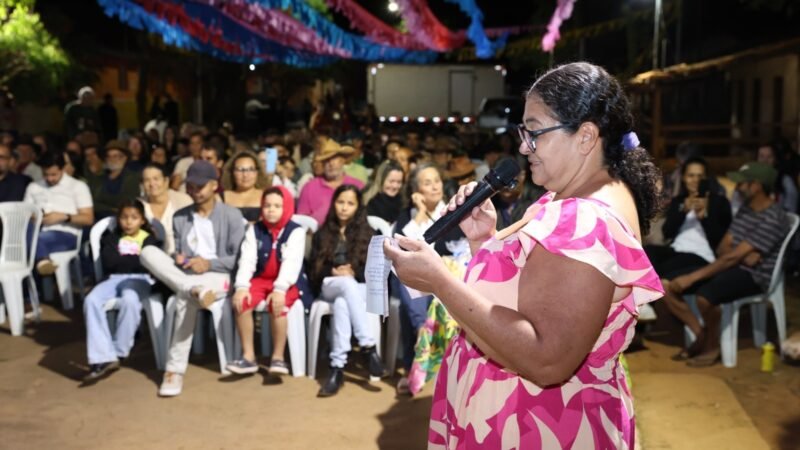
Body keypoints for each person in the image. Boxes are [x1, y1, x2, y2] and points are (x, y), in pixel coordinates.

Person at [384, 62, 664, 448]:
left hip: (536, 426)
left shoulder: (586, 219)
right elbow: (534, 293)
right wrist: (485, 239)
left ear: (585, 137)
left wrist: (440, 282)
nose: (522, 146)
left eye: (534, 133)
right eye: (523, 132)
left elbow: (546, 359)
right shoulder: (572, 198)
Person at [661, 162, 788, 366]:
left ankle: (712, 346)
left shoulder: (773, 217)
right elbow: (723, 248)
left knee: (705, 296)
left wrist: (694, 276)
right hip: (734, 266)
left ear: (756, 186)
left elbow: (729, 256)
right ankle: (701, 335)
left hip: (755, 276)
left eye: (742, 184)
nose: (736, 187)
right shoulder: (747, 209)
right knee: (666, 286)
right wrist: (742, 254)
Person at [140, 160, 245, 397]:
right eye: (191, 186)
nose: (195, 191)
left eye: (200, 186)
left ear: (214, 185)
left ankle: (174, 371)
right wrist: (182, 259)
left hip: (220, 276)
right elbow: (179, 252)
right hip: (189, 276)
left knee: (184, 299)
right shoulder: (180, 217)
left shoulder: (231, 215)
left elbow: (239, 258)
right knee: (148, 253)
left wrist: (208, 263)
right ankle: (193, 288)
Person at [308, 185, 386, 397]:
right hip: (330, 284)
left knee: (344, 300)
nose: (344, 207)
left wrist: (353, 271)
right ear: (334, 203)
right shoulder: (322, 233)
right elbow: (313, 269)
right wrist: (332, 270)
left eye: (350, 203)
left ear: (358, 207)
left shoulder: (367, 233)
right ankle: (368, 347)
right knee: (345, 286)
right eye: (340, 202)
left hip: (357, 287)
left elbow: (374, 270)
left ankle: (337, 368)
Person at [227, 186, 311, 375]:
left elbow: (292, 263)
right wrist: (241, 286)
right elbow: (247, 260)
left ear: (287, 207)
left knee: (277, 305)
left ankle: (278, 357)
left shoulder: (295, 232)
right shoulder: (254, 229)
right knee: (242, 301)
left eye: (277, 206)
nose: (271, 210)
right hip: (262, 279)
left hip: (287, 283)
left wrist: (280, 289)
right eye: (267, 205)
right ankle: (248, 356)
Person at [82, 199, 160, 384]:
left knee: (130, 300)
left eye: (134, 217)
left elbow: (150, 263)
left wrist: (126, 260)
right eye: (124, 217)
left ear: (142, 220)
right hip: (113, 279)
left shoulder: (149, 238)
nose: (128, 222)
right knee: (91, 300)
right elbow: (110, 262)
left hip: (140, 280)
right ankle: (102, 355)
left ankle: (118, 351)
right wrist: (136, 259)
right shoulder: (111, 238)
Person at [646, 157, 732, 282]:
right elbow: (667, 232)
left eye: (700, 176)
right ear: (684, 178)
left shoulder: (720, 202)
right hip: (676, 249)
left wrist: (704, 216)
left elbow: (721, 239)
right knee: (648, 252)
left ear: (706, 178)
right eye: (691, 176)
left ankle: (651, 291)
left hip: (702, 255)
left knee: (666, 268)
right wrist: (683, 211)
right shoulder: (679, 201)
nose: (695, 180)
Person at [24, 151, 94, 275]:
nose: (50, 178)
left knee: (29, 245)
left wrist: (63, 217)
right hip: (37, 231)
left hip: (65, 234)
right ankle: (43, 261)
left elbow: (88, 218)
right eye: (46, 174)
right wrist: (37, 217)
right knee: (27, 232)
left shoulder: (77, 186)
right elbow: (25, 215)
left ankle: (41, 262)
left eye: (54, 174)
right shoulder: (33, 187)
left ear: (63, 169)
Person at [296, 138, 364, 225]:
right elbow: (301, 220)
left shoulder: (357, 185)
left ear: (342, 160)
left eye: (334, 158)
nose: (331, 164)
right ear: (323, 164)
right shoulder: (309, 187)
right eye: (326, 160)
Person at [140, 164, 193, 255]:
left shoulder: (184, 201)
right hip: (149, 257)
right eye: (147, 180)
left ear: (166, 181)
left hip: (181, 256)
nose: (152, 184)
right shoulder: (139, 205)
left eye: (156, 179)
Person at [88, 140, 141, 220]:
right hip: (98, 219)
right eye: (109, 156)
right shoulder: (98, 178)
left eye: (116, 156)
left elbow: (128, 201)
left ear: (125, 158)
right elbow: (92, 203)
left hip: (124, 219)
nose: (112, 159)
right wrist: (112, 209)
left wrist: (105, 207)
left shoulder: (133, 177)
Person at [220, 150, 270, 223]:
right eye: (240, 170)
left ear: (257, 172)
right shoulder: (220, 199)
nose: (245, 175)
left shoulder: (267, 196)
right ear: (232, 172)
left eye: (251, 169)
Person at [757, 140, 798, 213]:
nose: (765, 161)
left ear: (775, 160)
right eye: (761, 156)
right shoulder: (751, 180)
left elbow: (790, 212)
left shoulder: (785, 180)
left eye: (769, 157)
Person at [364, 160, 405, 224]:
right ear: (381, 180)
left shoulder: (404, 202)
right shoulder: (371, 202)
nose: (395, 186)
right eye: (391, 181)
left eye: (399, 182)